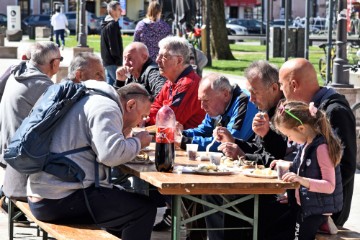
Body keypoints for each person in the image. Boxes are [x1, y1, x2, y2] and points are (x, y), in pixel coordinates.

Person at [27, 82, 157, 240]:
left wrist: (123, 134)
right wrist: (138, 142)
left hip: (43, 193)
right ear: (130, 105)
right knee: (144, 210)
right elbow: (110, 155)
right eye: (142, 116)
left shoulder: (90, 97)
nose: (141, 123)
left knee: (123, 205)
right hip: (59, 198)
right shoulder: (107, 107)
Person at [278, 58, 356, 227]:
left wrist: (305, 193)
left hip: (326, 210)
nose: (281, 91)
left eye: (281, 85)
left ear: (293, 84)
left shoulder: (334, 111)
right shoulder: (309, 110)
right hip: (308, 200)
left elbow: (345, 167)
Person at [267, 100, 343, 240]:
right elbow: (301, 167)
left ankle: (324, 220)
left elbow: (329, 186)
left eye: (288, 135)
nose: (289, 140)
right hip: (306, 204)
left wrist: (301, 180)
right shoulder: (305, 144)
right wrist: (286, 164)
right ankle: (325, 223)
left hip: (315, 210)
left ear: (301, 128)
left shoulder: (321, 149)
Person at [0, 42, 60, 201]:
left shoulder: (17, 72)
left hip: (5, 147)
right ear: (54, 63)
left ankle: (7, 193)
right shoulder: (43, 85)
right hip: (19, 157)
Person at [216, 60, 287, 165]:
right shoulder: (266, 108)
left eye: (255, 92)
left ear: (274, 88)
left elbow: (279, 156)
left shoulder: (287, 113)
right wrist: (233, 141)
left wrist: (244, 156)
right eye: (249, 93)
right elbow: (258, 149)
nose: (251, 99)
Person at [178, 72, 257, 152]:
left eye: (206, 100)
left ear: (225, 94)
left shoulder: (245, 103)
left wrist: (185, 141)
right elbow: (204, 130)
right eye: (201, 100)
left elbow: (228, 142)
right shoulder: (217, 106)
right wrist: (181, 133)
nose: (202, 106)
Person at [148, 36, 205, 129]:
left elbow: (168, 120)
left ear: (179, 60)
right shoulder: (171, 81)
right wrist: (146, 118)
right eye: (158, 56)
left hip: (186, 141)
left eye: (164, 56)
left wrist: (147, 119)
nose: (157, 60)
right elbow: (154, 107)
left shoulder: (188, 84)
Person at [100, 1, 123, 86]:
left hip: (107, 61)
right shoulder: (112, 25)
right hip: (112, 62)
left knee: (110, 86)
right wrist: (119, 63)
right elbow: (113, 46)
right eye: (119, 9)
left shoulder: (107, 23)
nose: (121, 11)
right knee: (121, 85)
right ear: (113, 11)